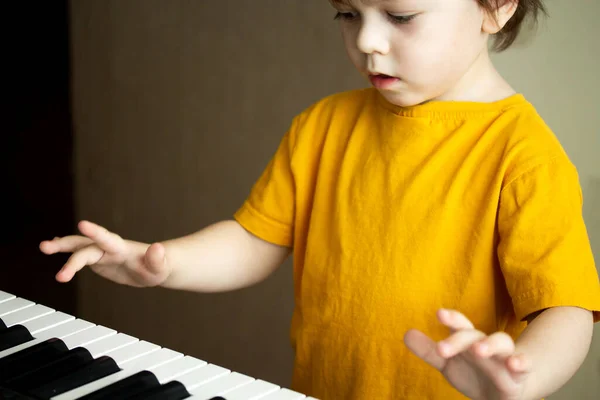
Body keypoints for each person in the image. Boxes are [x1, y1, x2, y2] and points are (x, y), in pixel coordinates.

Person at [40, 0, 600, 399]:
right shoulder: (323, 125)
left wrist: (522, 375)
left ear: (497, 6)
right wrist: (159, 263)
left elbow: (565, 309)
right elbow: (256, 239)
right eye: (347, 13)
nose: (366, 41)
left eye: (400, 16)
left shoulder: (525, 157)